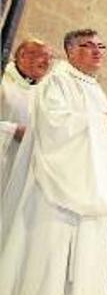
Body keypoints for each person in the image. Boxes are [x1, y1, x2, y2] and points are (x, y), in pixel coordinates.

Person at [0, 28, 107, 295]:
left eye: (101, 46)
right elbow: (53, 123)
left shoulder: (95, 89)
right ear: (70, 51)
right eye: (88, 46)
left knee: (77, 260)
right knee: (48, 256)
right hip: (55, 186)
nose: (98, 52)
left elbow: (99, 135)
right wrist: (101, 122)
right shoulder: (58, 79)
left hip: (85, 186)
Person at [0, 39, 53, 218]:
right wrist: (13, 130)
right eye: (42, 56)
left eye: (50, 58)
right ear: (22, 55)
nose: (47, 63)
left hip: (20, 173)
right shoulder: (4, 81)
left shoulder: (43, 96)